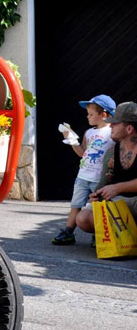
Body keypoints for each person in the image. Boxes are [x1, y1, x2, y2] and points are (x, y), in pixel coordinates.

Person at [51, 94, 115, 245]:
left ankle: (98, 235)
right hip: (83, 176)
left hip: (100, 179)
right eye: (88, 114)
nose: (88, 117)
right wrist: (72, 140)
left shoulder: (112, 133)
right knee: (76, 204)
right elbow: (82, 153)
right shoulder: (89, 132)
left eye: (91, 114)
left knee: (97, 207)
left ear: (104, 114)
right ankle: (68, 232)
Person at [75, 101, 137, 238]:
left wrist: (118, 188)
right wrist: (96, 195)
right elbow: (105, 180)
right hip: (120, 204)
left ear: (129, 129)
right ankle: (124, 238)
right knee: (83, 218)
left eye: (115, 123)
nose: (111, 126)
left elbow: (115, 187)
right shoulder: (112, 152)